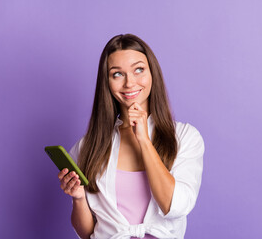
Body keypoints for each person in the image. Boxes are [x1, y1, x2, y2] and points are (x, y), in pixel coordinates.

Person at [58, 34, 204, 239]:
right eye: (117, 74)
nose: (129, 83)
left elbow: (176, 206)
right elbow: (87, 233)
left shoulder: (185, 138)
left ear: (152, 72)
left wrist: (144, 140)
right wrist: (79, 198)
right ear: (107, 82)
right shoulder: (89, 146)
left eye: (138, 70)